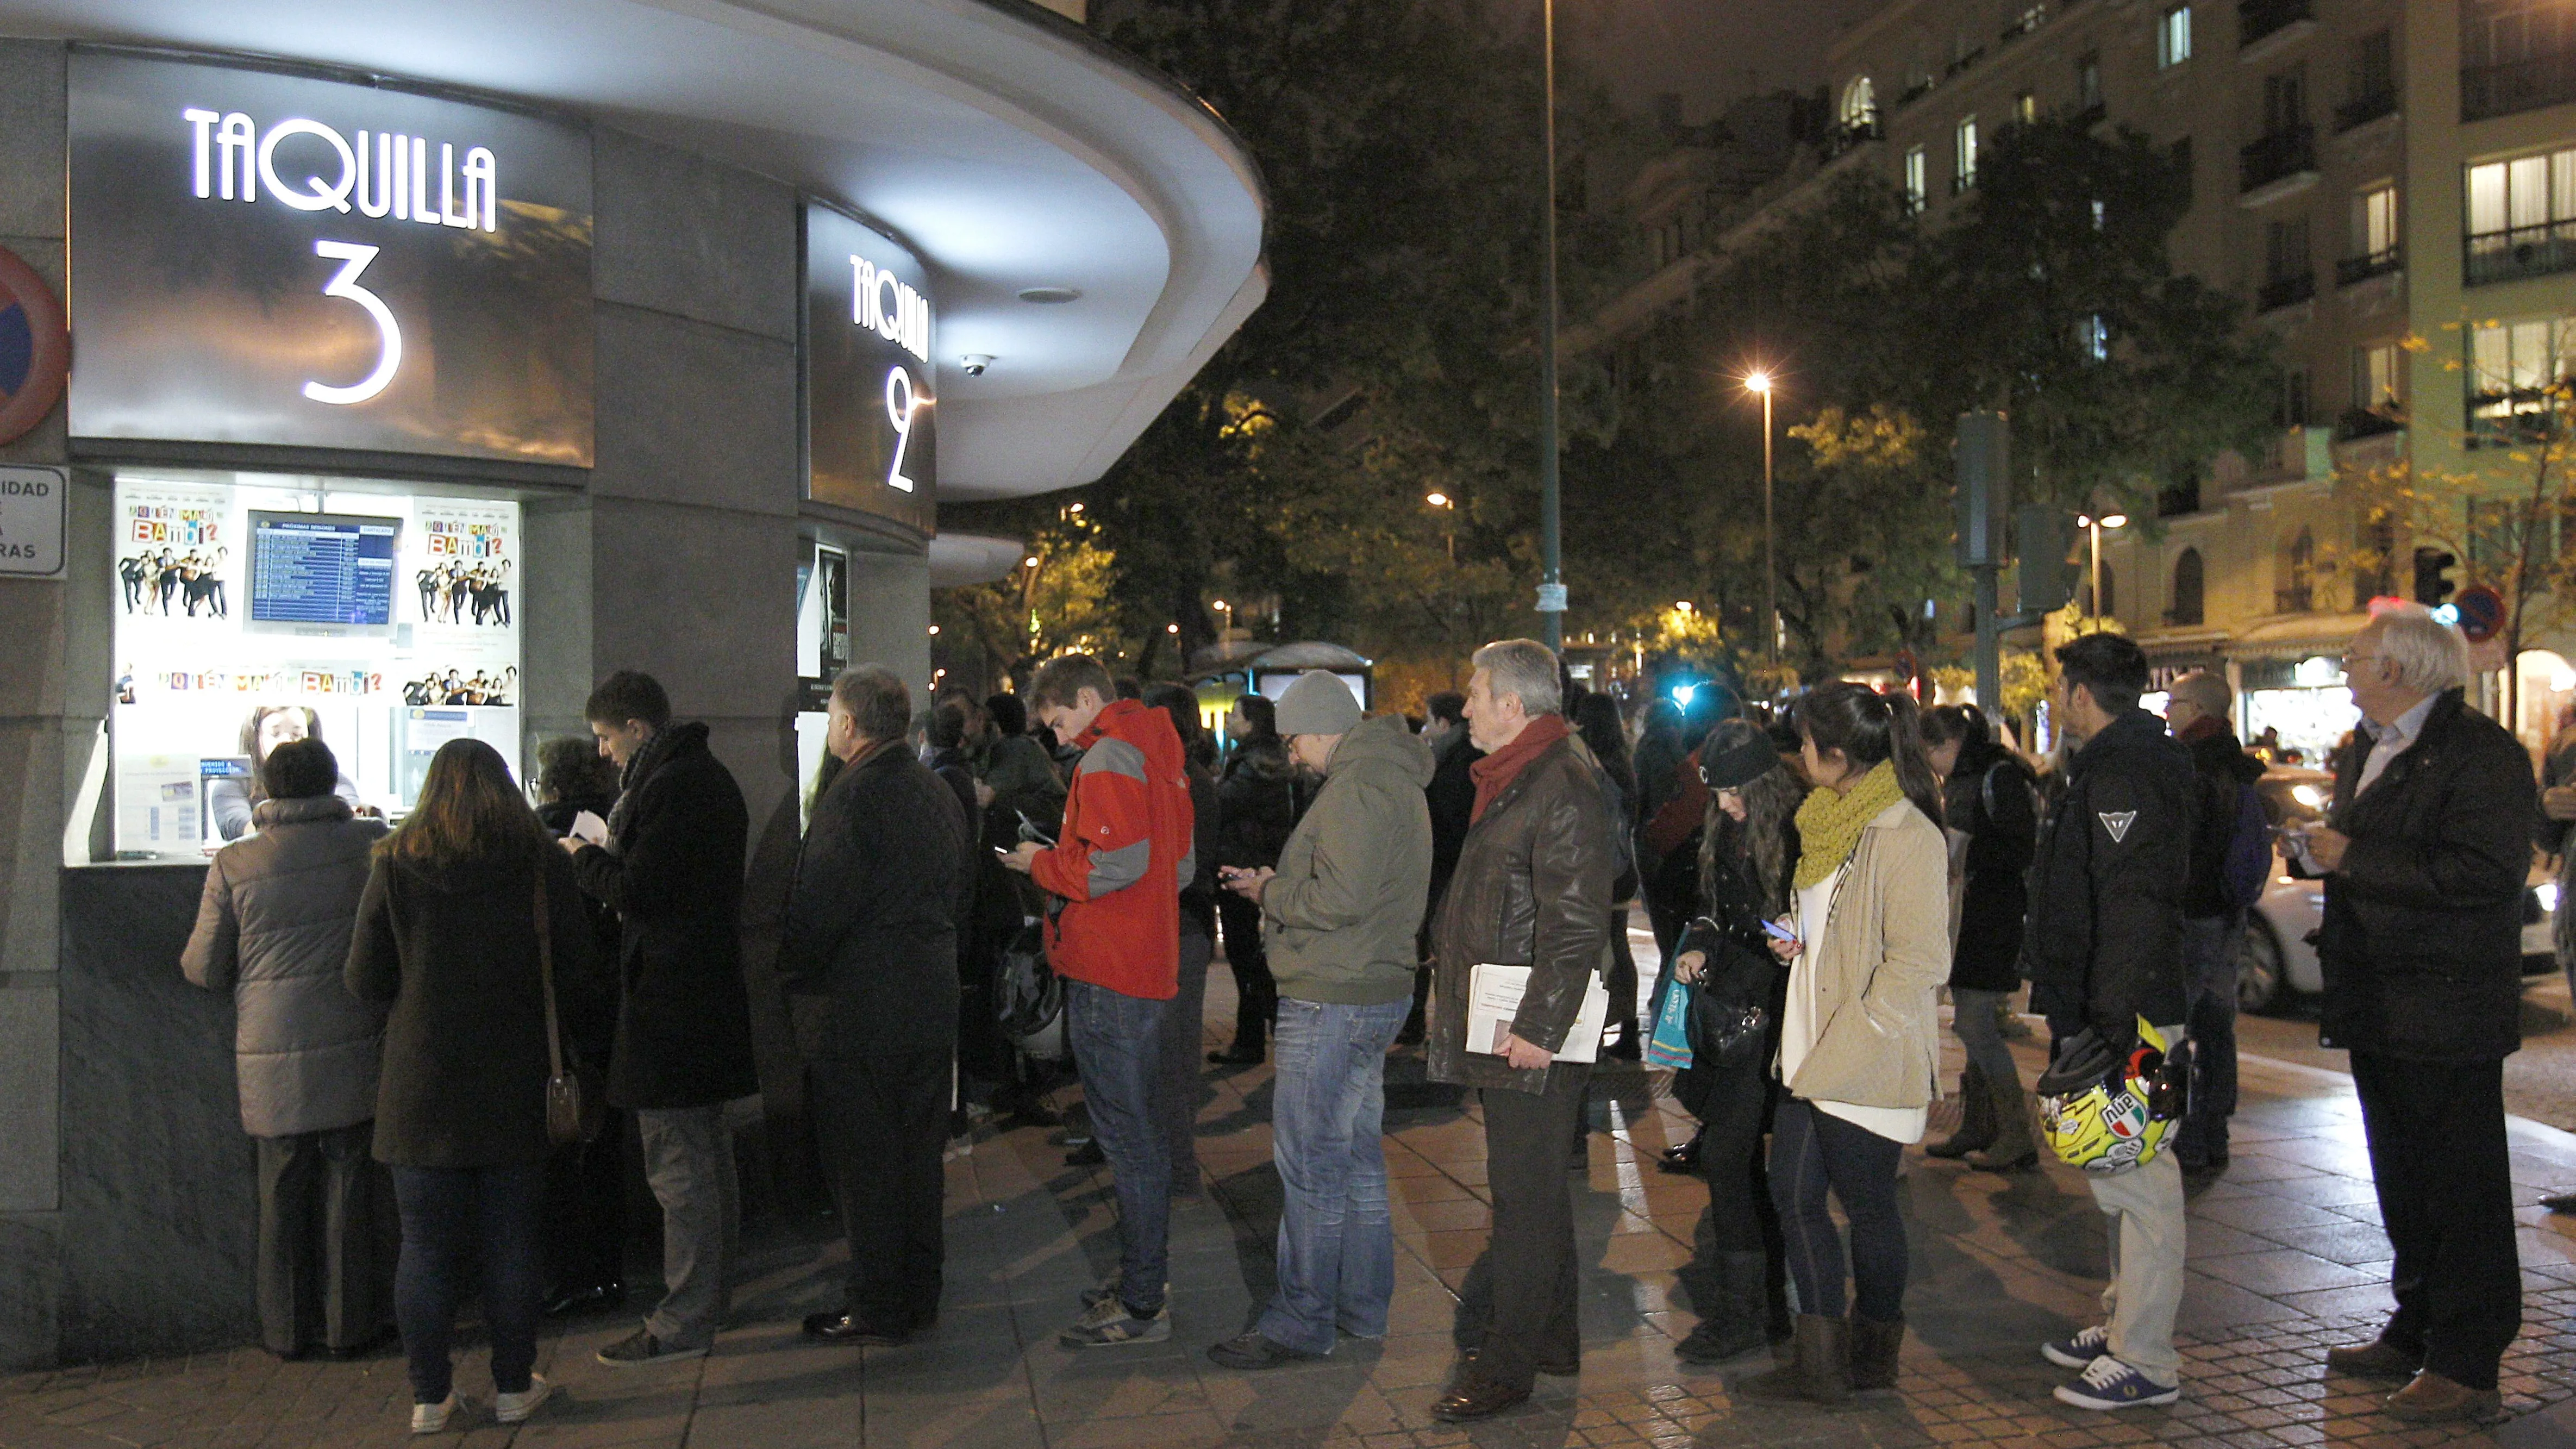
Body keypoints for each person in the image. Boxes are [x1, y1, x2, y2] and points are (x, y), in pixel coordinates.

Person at [2300, 604, 2530, 1425]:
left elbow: (2485, 874)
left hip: (2447, 1006)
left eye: (2356, 657)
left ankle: (2468, 1359)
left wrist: (2355, 857)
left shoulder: (2480, 755)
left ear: (2397, 671)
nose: (2347, 667)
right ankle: (2418, 1321)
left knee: (2461, 1184)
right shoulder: (2372, 745)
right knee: (2403, 1175)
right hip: (2380, 999)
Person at [345, 738, 598, 1434]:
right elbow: (578, 971)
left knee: (424, 1246)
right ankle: (515, 1385)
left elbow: (364, 978)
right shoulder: (542, 862)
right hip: (517, 1082)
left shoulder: (396, 863)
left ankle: (431, 1397)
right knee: (513, 1243)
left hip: (420, 1089)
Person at [1206, 672, 1433, 1369]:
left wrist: (1272, 888)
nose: (1295, 754)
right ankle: (1362, 1306)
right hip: (1369, 985)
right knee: (1356, 1160)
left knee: (1311, 1166)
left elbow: (1338, 898)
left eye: (1298, 738)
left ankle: (1302, 1318)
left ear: (1328, 727)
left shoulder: (1360, 785)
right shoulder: (1385, 777)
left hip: (1336, 994)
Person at [1733, 683, 1947, 1406]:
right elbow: (1833, 924)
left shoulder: (1904, 832)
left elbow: (1919, 960)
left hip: (1861, 1053)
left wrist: (1861, 1031)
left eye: (1804, 742)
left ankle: (1874, 1354)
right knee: (1792, 1196)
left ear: (1835, 752)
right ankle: (1821, 1363)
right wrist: (1801, 940)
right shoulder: (1824, 818)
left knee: (1869, 1207)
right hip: (1807, 1048)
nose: (1797, 755)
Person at [1423, 640, 1616, 1422]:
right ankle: (1552, 1338)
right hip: (1510, 1014)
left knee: (1523, 1200)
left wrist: (1537, 1026)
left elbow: (1575, 924)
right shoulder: (1524, 775)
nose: (1464, 704)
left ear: (1514, 703)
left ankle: (1508, 1368)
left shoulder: (1557, 781)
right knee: (1535, 1192)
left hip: (1527, 1025)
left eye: (1475, 692)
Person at [562, 671, 760, 1367]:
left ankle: (684, 1315)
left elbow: (643, 891)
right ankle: (707, 1297)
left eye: (607, 738)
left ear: (637, 729)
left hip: (672, 1006)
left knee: (680, 1167)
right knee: (706, 1156)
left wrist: (584, 857)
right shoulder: (696, 777)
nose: (605, 753)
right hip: (695, 1000)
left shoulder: (676, 787)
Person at [999, 653, 1195, 1347]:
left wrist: (1041, 864)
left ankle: (1142, 1300)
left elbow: (1115, 863)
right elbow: (1178, 865)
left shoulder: (1110, 754)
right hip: (1145, 963)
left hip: (1110, 969)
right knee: (1140, 1134)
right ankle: (1144, 1279)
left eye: (1056, 720)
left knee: (1128, 1140)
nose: (1055, 738)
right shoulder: (1159, 747)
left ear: (1086, 698)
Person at [2024, 633, 2196, 1411]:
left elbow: (2131, 901)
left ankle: (2148, 1357)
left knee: (2144, 1178)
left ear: (2082, 694)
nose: (2061, 703)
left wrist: (2117, 1016)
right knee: (2118, 1173)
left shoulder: (2124, 770)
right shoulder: (2115, 764)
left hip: (2133, 1009)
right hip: (2115, 1001)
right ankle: (2125, 1319)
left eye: (2064, 690)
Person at [182, 737, 390, 1361]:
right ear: (333, 783)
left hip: (271, 1051)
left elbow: (204, 967)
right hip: (357, 1036)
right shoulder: (372, 845)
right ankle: (348, 1326)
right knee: (351, 1184)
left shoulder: (237, 863)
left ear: (266, 788)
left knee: (280, 1188)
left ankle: (284, 1331)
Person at [781, 665, 968, 1346]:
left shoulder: (851, 797)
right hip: (928, 995)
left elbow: (818, 909)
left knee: (866, 1164)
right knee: (918, 1155)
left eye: (832, 714)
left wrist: (794, 974)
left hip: (862, 1008)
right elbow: (960, 891)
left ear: (850, 723)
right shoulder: (934, 789)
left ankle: (878, 1300)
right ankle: (920, 1289)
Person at [1664, 720, 1802, 1365]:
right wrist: (1697, 939)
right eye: (1717, 794)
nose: (1724, 806)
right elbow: (1711, 904)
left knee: (1731, 1157)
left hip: (1775, 1010)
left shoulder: (1799, 829)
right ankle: (1763, 1305)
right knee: (1733, 1157)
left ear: (1766, 786)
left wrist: (1790, 940)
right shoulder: (1726, 831)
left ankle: (1751, 1311)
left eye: (1734, 793)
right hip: (1732, 1008)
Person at [529, 737, 628, 1319]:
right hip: (608, 1006)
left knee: (559, 1148)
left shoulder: (538, 838)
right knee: (603, 1144)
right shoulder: (614, 824)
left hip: (556, 1016)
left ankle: (569, 1273)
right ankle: (605, 1270)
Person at [1919, 704, 2040, 1171]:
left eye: (1930, 754)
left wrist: (1966, 854)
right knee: (1972, 1025)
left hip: (1991, 915)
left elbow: (2019, 847)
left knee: (1974, 1025)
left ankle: (2015, 1134)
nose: (1930, 767)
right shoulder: (1974, 775)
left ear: (1947, 744)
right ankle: (1978, 1125)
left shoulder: (1995, 775)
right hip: (1974, 914)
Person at [2164, 671, 2266, 1175]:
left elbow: (2180, 849)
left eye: (2173, 702)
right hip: (2227, 911)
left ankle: (2181, 1128)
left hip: (2191, 913)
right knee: (2218, 1026)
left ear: (2196, 710)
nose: (2166, 710)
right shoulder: (2238, 764)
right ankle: (2216, 1126)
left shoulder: (2189, 766)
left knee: (2174, 1027)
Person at [1142, 682, 1221, 1192]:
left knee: (1172, 1049)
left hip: (1181, 926)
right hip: (1180, 924)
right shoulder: (1186, 777)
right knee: (1170, 1048)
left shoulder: (1185, 781)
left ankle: (1178, 1164)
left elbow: (1187, 866)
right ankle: (1172, 1158)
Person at [1211, 692, 1300, 1064]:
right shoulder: (1275, 761)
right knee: (1257, 954)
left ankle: (1256, 1034)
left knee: (1246, 956)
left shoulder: (1249, 766)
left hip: (1242, 871)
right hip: (1269, 865)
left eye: (1234, 715)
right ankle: (1256, 1033)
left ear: (1250, 724)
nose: (1230, 721)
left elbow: (1222, 805)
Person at [1400, 689, 1481, 1045]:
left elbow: (1448, 820)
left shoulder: (1454, 761)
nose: (1425, 730)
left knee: (1436, 951)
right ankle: (1421, 1023)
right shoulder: (1454, 756)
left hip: (1445, 872)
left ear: (1443, 723)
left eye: (1429, 720)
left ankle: (1438, 1028)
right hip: (1445, 871)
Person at [1574, 692, 1644, 1058]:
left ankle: (1599, 1027)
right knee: (1619, 944)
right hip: (1623, 867)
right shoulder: (1623, 760)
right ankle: (1629, 1026)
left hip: (1599, 868)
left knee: (1600, 950)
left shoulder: (1591, 763)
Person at [210, 705, 368, 840]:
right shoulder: (231, 787)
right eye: (275, 734)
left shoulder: (338, 781)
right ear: (255, 738)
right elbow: (242, 829)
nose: (286, 741)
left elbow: (354, 821)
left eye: (297, 734)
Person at [978, 690, 1067, 844]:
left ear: (996, 724)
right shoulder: (1028, 746)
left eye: (984, 720)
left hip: (1027, 839)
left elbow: (991, 795)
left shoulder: (1013, 750)